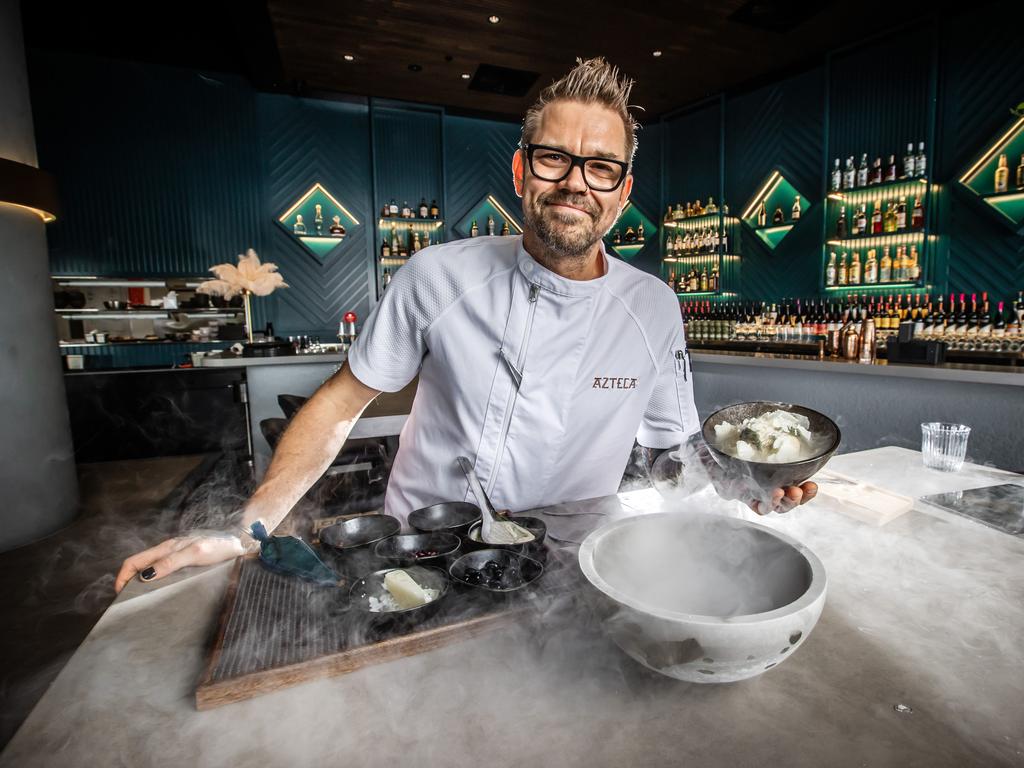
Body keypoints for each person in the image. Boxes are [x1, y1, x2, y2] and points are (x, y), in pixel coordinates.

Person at [115, 57, 815, 594]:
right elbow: (336, 407)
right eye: (553, 158)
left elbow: (670, 454)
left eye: (601, 167)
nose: (576, 182)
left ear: (623, 192)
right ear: (520, 170)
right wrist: (250, 528)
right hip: (426, 556)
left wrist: (744, 482)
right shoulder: (437, 275)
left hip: (578, 566)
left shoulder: (655, 305)